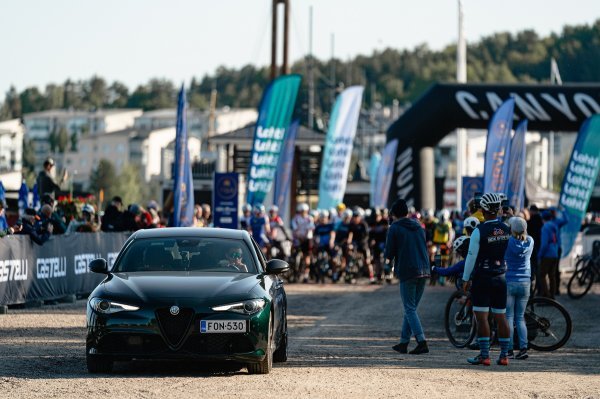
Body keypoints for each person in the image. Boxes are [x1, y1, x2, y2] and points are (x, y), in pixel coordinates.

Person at [462, 193, 511, 366]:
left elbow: (471, 256)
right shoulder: (506, 228)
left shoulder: (478, 230)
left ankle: (484, 355)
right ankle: (504, 355)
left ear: (482, 210)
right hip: (501, 277)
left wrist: (465, 278)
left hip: (483, 277)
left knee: (481, 317)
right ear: (498, 209)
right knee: (501, 317)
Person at [385, 199, 431, 355]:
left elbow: (389, 251)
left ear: (394, 214)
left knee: (409, 308)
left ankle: (422, 341)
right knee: (411, 308)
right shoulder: (418, 226)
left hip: (408, 270)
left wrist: (387, 264)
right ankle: (404, 342)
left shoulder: (395, 228)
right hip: (424, 270)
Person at [504, 217, 533, 360]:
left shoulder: (508, 242)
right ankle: (523, 348)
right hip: (525, 282)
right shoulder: (530, 241)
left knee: (508, 316)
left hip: (509, 280)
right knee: (520, 317)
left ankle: (509, 349)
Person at [349, 207, 375, 283]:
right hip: (355, 245)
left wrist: (362, 243)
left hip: (364, 246)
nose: (355, 219)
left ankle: (371, 277)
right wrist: (350, 243)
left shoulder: (364, 224)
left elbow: (366, 236)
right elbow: (350, 235)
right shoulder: (352, 225)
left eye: (356, 217)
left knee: (368, 262)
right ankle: (353, 277)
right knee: (353, 261)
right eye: (354, 217)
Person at [291, 203, 315, 283]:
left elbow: (310, 228)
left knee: (307, 257)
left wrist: (304, 237)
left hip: (307, 239)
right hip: (298, 239)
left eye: (304, 211)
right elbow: (295, 228)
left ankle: (306, 275)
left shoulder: (309, 218)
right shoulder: (296, 218)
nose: (303, 212)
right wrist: (298, 237)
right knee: (294, 255)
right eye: (302, 211)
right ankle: (295, 273)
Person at [538, 211, 559, 299]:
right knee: (552, 275)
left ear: (543, 219)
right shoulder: (554, 226)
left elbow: (544, 244)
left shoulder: (545, 227)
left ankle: (546, 296)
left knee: (541, 275)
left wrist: (539, 255)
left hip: (547, 255)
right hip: (555, 253)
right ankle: (552, 295)